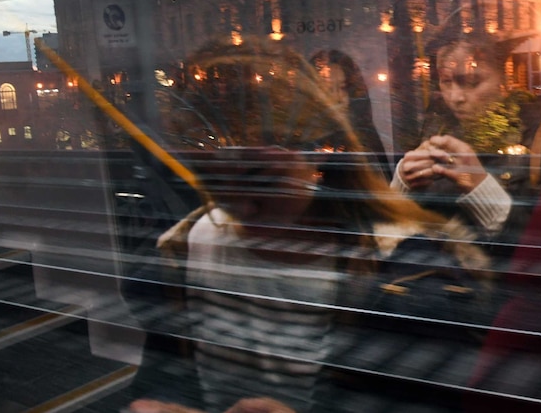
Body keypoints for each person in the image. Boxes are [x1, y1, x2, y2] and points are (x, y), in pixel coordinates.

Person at [128, 38, 492, 413]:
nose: (241, 207)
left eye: (261, 178)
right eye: (215, 183)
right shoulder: (191, 243)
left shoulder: (406, 273)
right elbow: (165, 371)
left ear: (317, 158)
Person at [392, 29, 541, 257]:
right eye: (446, 82)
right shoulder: (434, 131)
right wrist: (402, 182)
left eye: (472, 82)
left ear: (503, 80)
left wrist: (481, 189)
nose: (456, 97)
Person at [309, 49, 391, 179]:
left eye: (342, 88)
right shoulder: (305, 143)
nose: (338, 98)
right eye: (328, 90)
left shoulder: (364, 138)